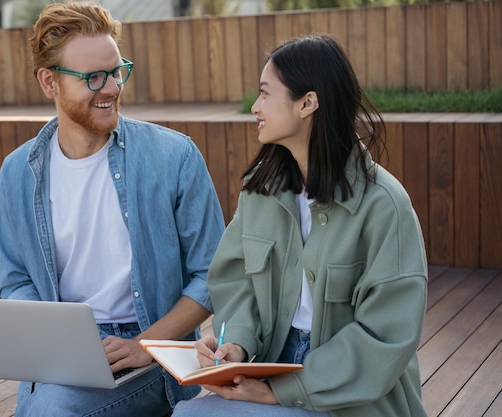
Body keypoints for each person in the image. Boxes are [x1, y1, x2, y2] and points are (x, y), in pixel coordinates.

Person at [173, 34, 428, 417]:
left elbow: (385, 337)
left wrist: (279, 392)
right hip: (271, 363)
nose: (255, 107)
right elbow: (237, 280)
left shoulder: (385, 206)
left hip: (351, 394)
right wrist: (236, 345)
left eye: (265, 94)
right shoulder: (260, 191)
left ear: (307, 103)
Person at [0, 1, 225, 416]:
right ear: (49, 82)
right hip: (66, 349)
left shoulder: (174, 157)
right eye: (93, 78)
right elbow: (16, 280)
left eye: (117, 71)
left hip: (152, 348)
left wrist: (145, 344)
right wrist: (55, 344)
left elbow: (212, 274)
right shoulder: (17, 172)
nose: (113, 88)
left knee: (50, 411)